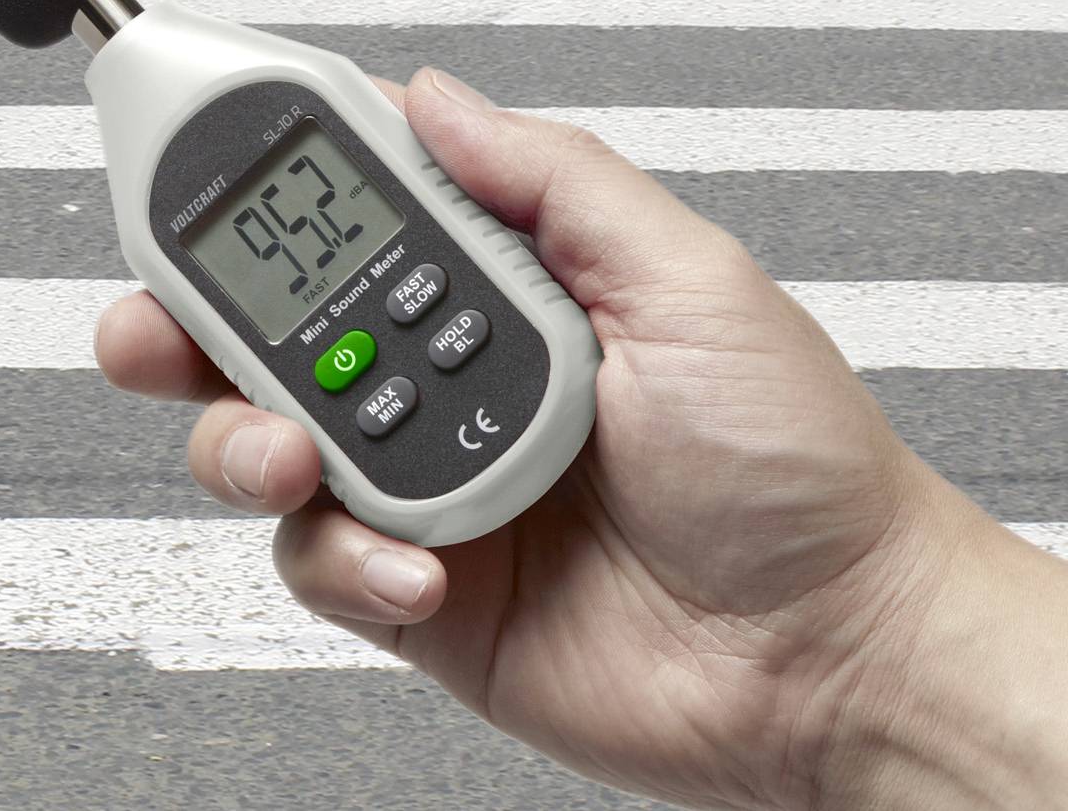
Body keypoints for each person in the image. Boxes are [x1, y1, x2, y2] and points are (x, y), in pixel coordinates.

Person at [92, 67, 1068, 811]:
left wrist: (858, 616)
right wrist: (849, 660)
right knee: (187, 380)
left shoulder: (252, 115)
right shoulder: (223, 140)